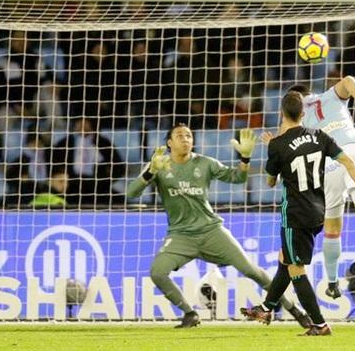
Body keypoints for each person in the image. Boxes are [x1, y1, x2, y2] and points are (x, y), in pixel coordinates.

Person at [126, 123, 312, 329]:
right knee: (157, 272)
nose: (186, 139)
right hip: (180, 236)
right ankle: (189, 313)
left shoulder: (204, 163)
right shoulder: (159, 165)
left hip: (211, 231)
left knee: (251, 270)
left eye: (189, 135)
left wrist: (245, 158)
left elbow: (237, 177)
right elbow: (130, 194)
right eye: (180, 136)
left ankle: (295, 310)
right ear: (169, 142)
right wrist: (149, 172)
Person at [240, 91, 355, 336]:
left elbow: (270, 182)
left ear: (281, 113)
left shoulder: (277, 145)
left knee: (295, 268)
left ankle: (320, 324)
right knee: (286, 257)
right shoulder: (320, 136)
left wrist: (273, 149)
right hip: (317, 211)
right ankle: (266, 307)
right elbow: (349, 163)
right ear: (304, 114)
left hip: (295, 214)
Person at [289, 76, 355, 300]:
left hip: (326, 165)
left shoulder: (297, 118)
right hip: (350, 151)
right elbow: (348, 81)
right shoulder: (329, 96)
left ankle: (332, 282)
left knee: (332, 227)